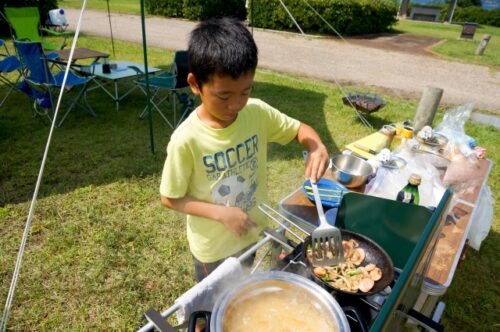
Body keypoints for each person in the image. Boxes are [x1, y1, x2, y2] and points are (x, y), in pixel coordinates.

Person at [160, 17, 330, 282]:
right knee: (210, 307)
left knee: (241, 288)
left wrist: (316, 146)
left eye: (245, 92)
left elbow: (300, 130)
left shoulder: (257, 112)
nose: (236, 104)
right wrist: (221, 213)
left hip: (251, 232)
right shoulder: (186, 139)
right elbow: (170, 198)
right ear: (195, 84)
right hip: (214, 249)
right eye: (224, 96)